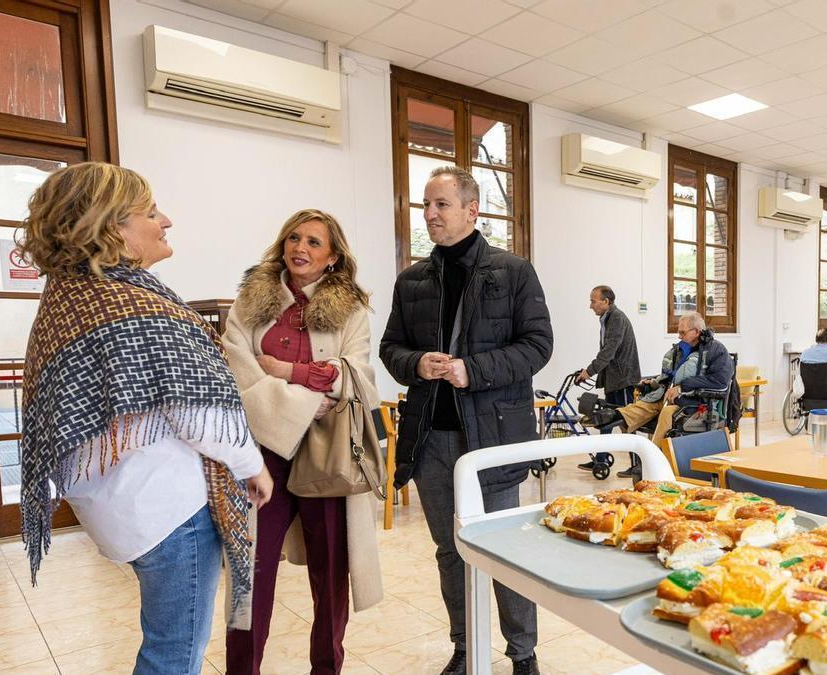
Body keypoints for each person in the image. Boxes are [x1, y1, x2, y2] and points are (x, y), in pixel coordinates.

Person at [18, 162, 273, 674]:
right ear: (114, 226)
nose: (166, 220)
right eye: (151, 211)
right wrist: (252, 466)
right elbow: (198, 411)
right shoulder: (130, 306)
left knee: (166, 648)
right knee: (173, 656)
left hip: (120, 507)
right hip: (168, 511)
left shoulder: (70, 298)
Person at [380, 166, 552, 675]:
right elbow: (390, 349)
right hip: (432, 439)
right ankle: (465, 646)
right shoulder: (411, 280)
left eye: (440, 205)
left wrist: (469, 370)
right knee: (450, 550)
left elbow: (538, 346)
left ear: (471, 211)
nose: (430, 214)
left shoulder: (514, 271)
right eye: (425, 206)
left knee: (504, 552)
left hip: (493, 440)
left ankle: (523, 654)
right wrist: (416, 364)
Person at [223, 209, 383, 674]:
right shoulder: (249, 302)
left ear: (332, 256)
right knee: (249, 574)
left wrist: (290, 373)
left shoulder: (351, 309)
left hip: (326, 453)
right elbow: (238, 374)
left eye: (314, 242)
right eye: (294, 238)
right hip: (261, 456)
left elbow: (358, 376)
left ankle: (326, 668)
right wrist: (305, 398)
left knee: (330, 573)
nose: (301, 249)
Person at [585, 312, 734, 449]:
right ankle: (610, 416)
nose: (679, 336)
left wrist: (682, 387)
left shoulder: (717, 350)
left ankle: (655, 455)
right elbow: (672, 376)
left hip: (698, 403)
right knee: (642, 405)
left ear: (696, 331)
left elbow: (720, 382)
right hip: (670, 397)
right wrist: (656, 382)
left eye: (682, 332)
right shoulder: (681, 350)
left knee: (667, 412)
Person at [575, 285, 641, 476]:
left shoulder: (616, 318)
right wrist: (589, 371)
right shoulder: (608, 318)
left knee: (627, 422)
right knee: (606, 419)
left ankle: (637, 465)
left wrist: (590, 371)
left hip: (623, 379)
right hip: (614, 378)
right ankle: (601, 460)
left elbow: (609, 351)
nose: (590, 305)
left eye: (593, 301)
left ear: (606, 301)